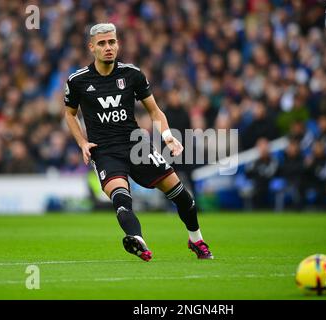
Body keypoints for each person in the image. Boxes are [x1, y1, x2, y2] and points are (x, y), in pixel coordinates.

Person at [63, 23, 213, 261]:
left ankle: (197, 240)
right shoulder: (78, 80)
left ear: (118, 44)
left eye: (112, 42)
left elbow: (155, 111)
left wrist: (167, 136)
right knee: (121, 198)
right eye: (102, 43)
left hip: (137, 146)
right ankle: (138, 241)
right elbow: (70, 114)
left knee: (182, 196)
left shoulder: (132, 74)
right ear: (92, 47)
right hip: (105, 152)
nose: (108, 47)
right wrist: (82, 142)